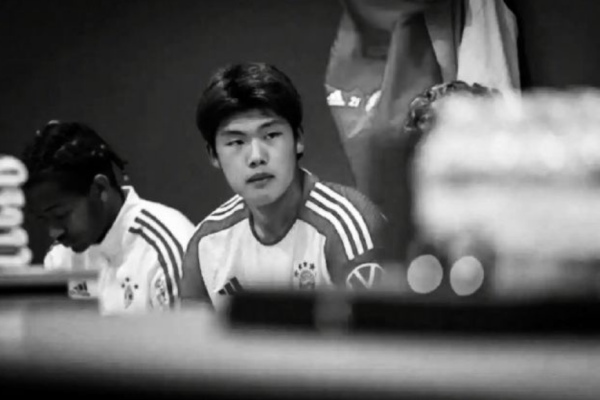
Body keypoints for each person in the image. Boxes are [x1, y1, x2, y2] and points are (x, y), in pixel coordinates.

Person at [180, 62, 394, 309]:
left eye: (270, 135)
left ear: (298, 139)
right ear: (214, 155)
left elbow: (380, 332)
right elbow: (190, 334)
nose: (256, 157)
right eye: (236, 142)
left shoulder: (349, 226)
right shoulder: (206, 244)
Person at [22, 121, 195, 314]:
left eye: (60, 215)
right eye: (43, 219)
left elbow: (189, 333)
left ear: (100, 188)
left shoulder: (165, 248)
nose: (54, 232)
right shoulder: (59, 259)